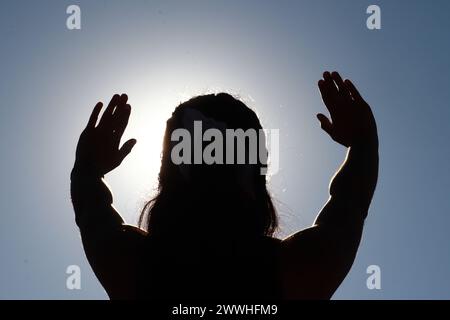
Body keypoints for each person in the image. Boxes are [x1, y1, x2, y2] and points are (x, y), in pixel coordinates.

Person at [70, 71, 378, 299]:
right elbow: (349, 206)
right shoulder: (295, 270)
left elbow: (91, 208)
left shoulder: (132, 265)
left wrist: (88, 167)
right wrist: (363, 143)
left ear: (167, 170)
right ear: (255, 173)